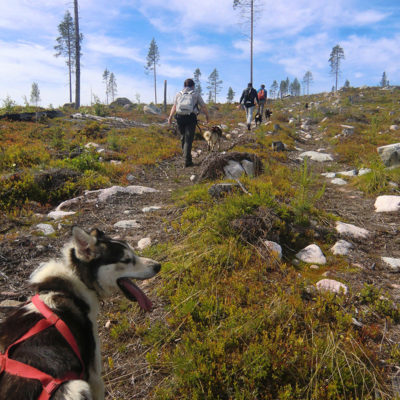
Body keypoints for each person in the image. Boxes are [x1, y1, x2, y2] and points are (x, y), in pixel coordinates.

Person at [168, 78, 209, 167]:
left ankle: (186, 158)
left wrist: (170, 117)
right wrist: (207, 116)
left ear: (184, 85)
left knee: (183, 137)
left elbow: (174, 107)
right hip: (191, 118)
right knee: (188, 139)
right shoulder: (195, 94)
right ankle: (187, 161)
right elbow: (203, 106)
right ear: (193, 85)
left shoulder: (178, 94)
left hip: (179, 118)